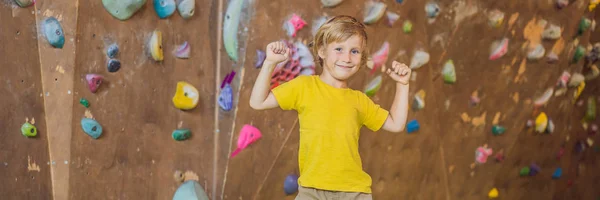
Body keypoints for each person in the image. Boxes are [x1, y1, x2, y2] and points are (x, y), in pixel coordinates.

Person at [249, 15, 410, 200]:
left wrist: (403, 85)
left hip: (354, 192)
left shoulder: (359, 100)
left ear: (362, 58)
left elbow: (396, 124)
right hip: (311, 190)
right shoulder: (304, 87)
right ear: (322, 51)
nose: (347, 58)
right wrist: (270, 63)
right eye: (339, 49)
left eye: (355, 51)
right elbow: (257, 102)